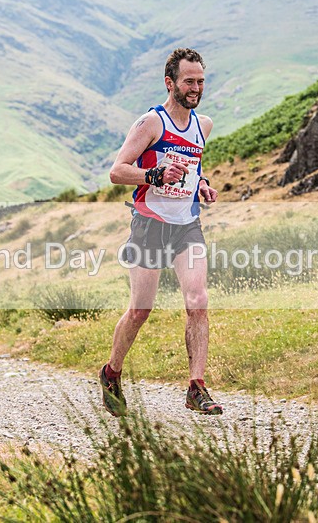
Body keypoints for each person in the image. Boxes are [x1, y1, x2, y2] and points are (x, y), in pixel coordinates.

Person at [100, 48, 220, 416]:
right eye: (189, 81)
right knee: (140, 309)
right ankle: (111, 372)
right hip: (149, 224)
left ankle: (196, 388)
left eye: (200, 80)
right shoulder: (151, 123)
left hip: (186, 226)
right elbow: (117, 171)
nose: (196, 88)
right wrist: (151, 176)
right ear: (170, 83)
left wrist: (201, 185)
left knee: (197, 301)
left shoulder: (205, 125)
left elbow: (192, 167)